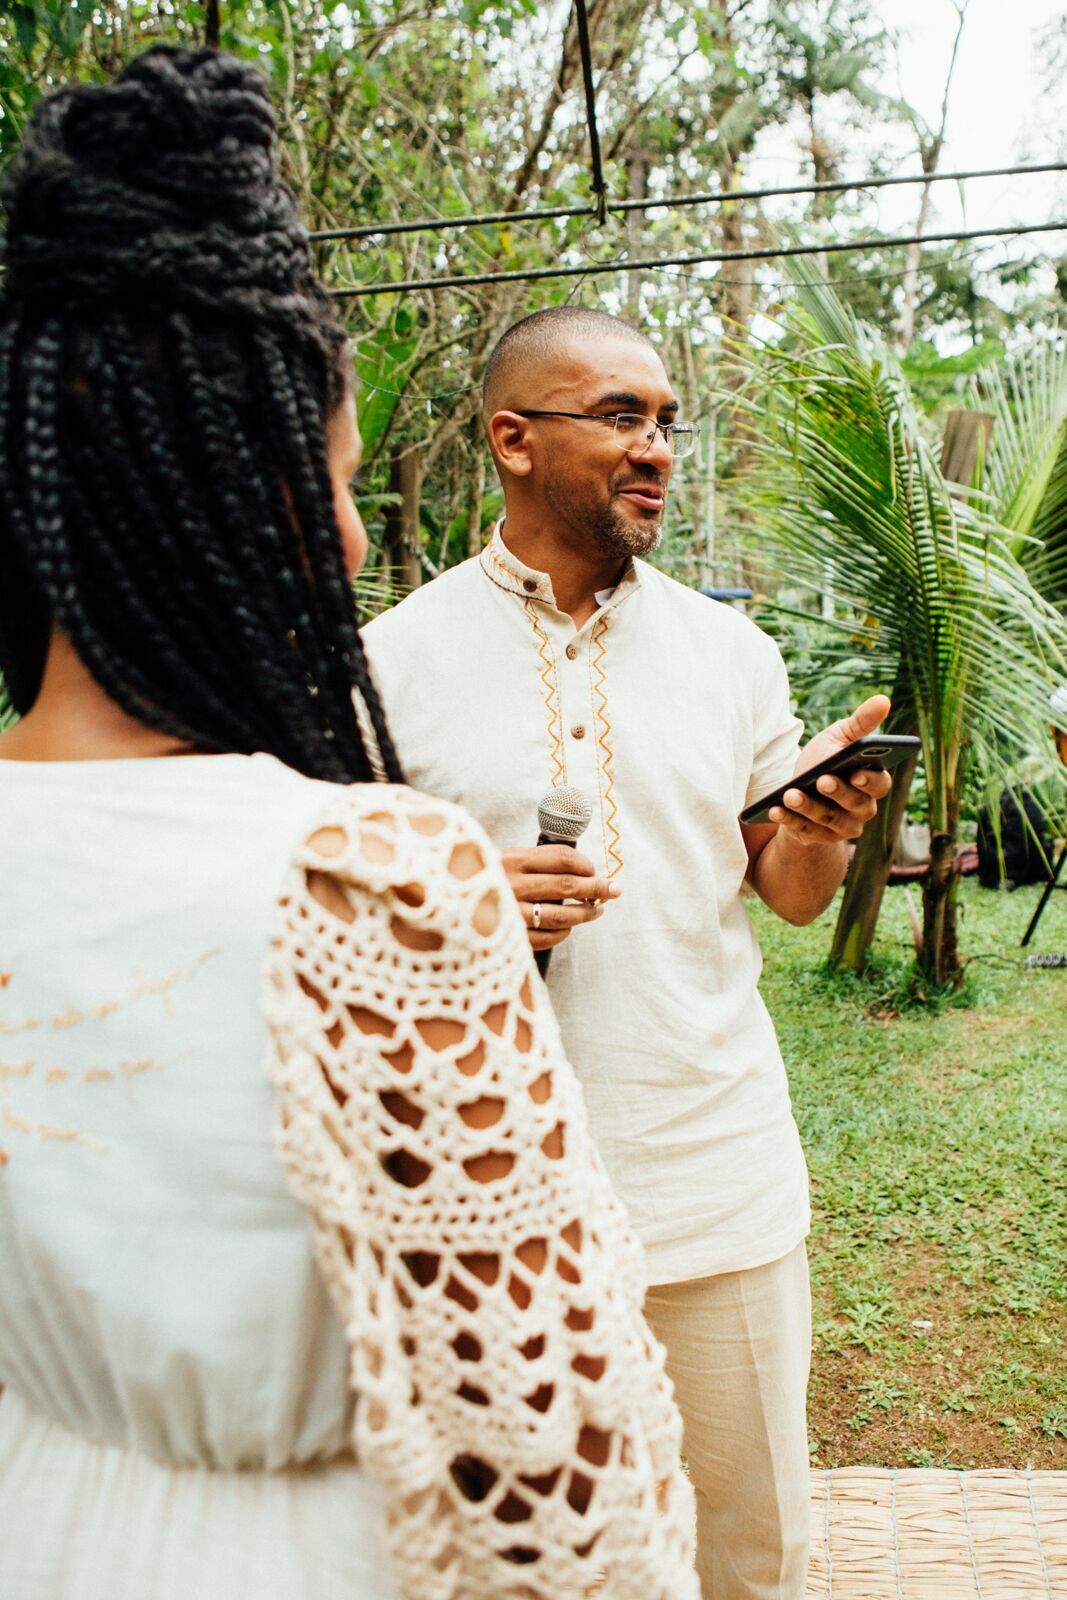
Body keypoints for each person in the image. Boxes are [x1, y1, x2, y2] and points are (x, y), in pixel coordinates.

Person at [0, 54, 699, 1600]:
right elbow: (555, 1469)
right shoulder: (364, 879)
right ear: (251, 495)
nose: (358, 531)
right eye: (336, 480)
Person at [363, 305, 895, 1600]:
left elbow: (792, 894)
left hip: (714, 1176)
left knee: (748, 1553)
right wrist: (465, 897)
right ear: (512, 440)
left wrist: (824, 821)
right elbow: (340, 915)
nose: (656, 446)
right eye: (618, 416)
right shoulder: (389, 663)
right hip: (482, 1201)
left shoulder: (734, 653)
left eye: (665, 420)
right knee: (517, 1561)